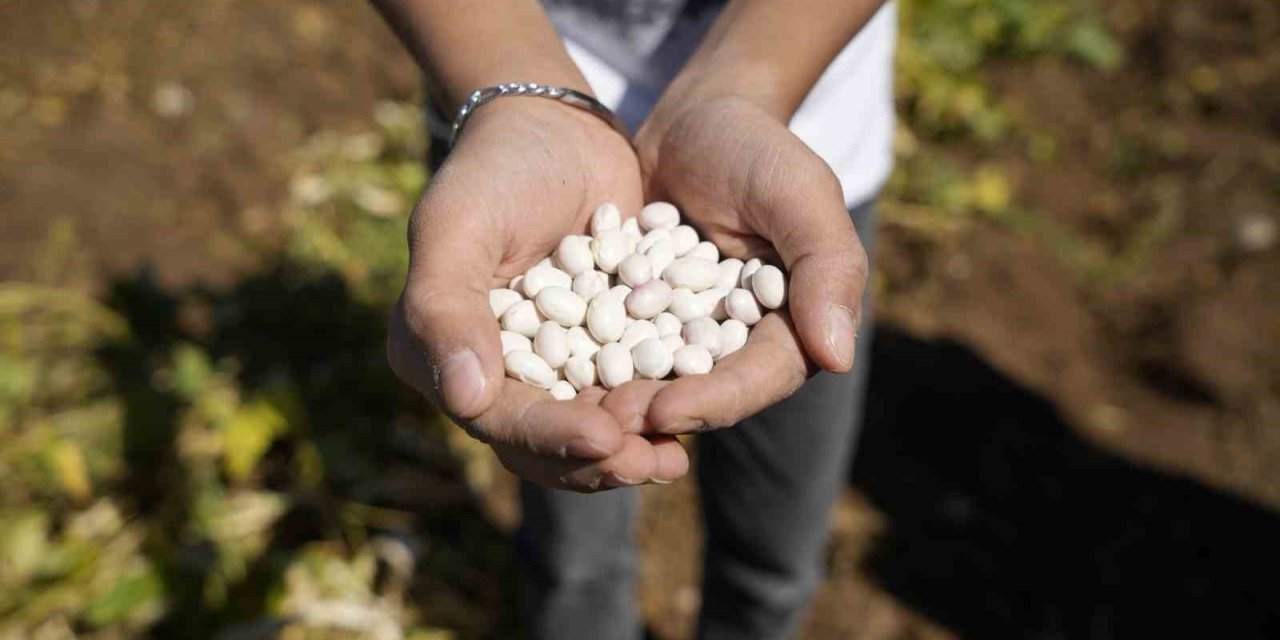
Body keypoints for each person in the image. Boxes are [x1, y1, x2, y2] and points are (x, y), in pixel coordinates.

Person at [376, 0, 895, 637]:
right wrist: (510, 85)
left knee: (777, 552)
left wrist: (743, 84)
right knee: (574, 554)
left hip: (792, 127)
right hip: (512, 122)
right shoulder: (574, 267)